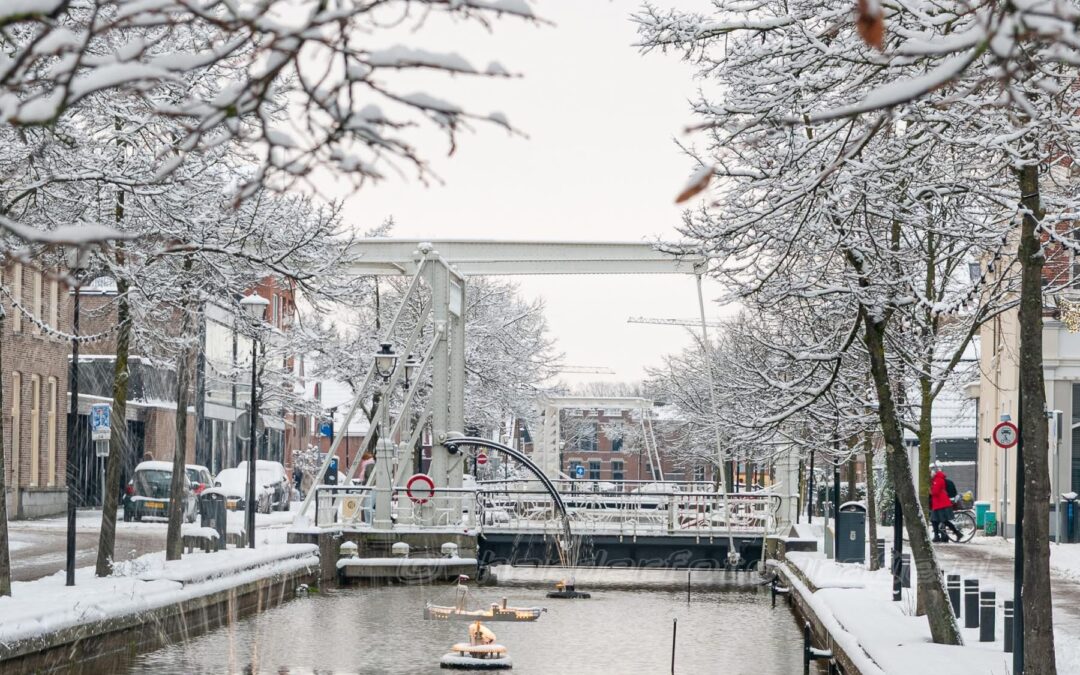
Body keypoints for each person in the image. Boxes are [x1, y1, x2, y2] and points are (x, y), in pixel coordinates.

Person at [930, 466, 962, 542]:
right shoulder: (936, 480)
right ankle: (936, 536)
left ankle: (957, 533)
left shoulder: (938, 480)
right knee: (934, 520)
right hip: (938, 504)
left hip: (942, 504)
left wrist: (930, 490)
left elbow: (935, 492)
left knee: (944, 521)